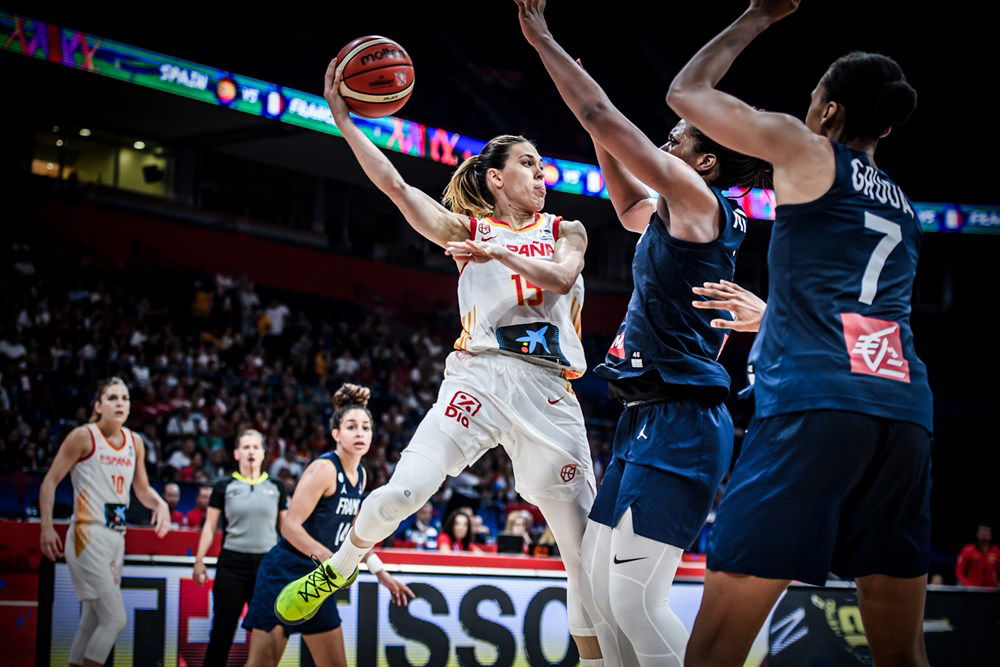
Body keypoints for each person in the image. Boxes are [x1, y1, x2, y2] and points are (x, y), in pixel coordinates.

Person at [276, 55, 603, 663]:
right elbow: (398, 188)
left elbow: (561, 279)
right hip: (478, 376)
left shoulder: (568, 228)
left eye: (540, 162)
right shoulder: (464, 228)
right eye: (527, 163)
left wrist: (497, 254)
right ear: (497, 179)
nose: (541, 172)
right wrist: (345, 120)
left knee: (582, 558)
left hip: (551, 395)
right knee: (405, 491)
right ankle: (341, 567)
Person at [664, 2, 933, 664]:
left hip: (814, 405)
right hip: (902, 413)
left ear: (829, 113)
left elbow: (686, 94)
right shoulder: (903, 205)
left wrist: (756, 16)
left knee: (715, 649)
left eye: (814, 96)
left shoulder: (808, 149)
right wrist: (776, 313)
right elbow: (857, 304)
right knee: (903, 653)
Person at [516, 2, 769, 664]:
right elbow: (628, 206)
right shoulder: (675, 213)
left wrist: (545, 41)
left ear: (705, 164)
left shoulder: (701, 207)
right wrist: (596, 129)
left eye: (680, 138)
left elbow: (602, 116)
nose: (666, 141)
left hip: (685, 419)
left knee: (633, 599)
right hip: (646, 414)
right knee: (601, 594)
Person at [244, 384, 414, 667]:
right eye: (351, 427)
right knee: (263, 663)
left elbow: (354, 534)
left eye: (365, 427)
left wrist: (380, 572)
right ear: (336, 434)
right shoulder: (324, 469)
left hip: (320, 578)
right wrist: (330, 559)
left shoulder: (360, 474)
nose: (360, 433)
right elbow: (289, 526)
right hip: (285, 571)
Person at [38, 377, 170, 667]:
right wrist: (46, 526)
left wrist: (160, 503)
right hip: (87, 533)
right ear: (98, 406)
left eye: (124, 398)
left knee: (91, 621)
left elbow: (142, 490)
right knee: (114, 620)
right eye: (112, 398)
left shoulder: (135, 442)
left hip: (115, 538)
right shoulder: (83, 436)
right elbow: (50, 481)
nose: (120, 403)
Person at [192, 429, 288, 666]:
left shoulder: (276, 486)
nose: (251, 452)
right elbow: (210, 526)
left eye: (256, 447)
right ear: (236, 453)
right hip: (231, 565)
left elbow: (287, 529)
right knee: (223, 630)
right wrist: (199, 559)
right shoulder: (224, 485)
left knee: (268, 631)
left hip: (267, 567)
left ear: (264, 453)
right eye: (246, 447)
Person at [955, 522, 1000, 588]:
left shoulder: (997, 551)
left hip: (992, 592)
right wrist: (968, 586)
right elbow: (959, 572)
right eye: (982, 531)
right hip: (973, 592)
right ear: (977, 534)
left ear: (990, 535)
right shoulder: (968, 550)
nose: (984, 533)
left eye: (987, 531)